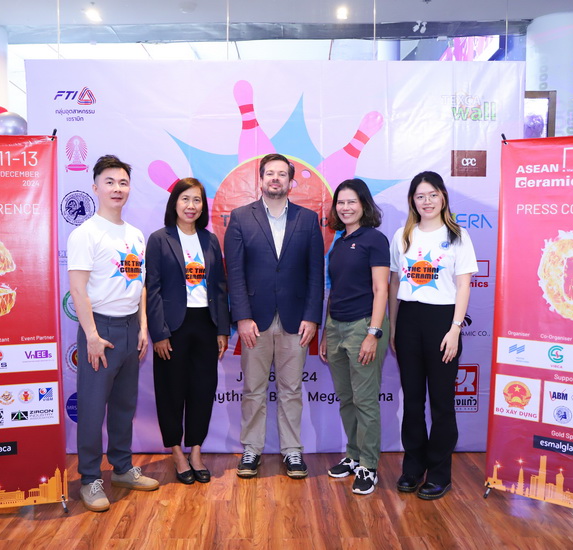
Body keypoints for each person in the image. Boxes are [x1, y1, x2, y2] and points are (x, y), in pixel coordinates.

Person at [67, 154, 159, 512]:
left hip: (130, 328)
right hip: (100, 330)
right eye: (109, 182)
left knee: (124, 406)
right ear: (95, 188)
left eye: (123, 182)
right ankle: (90, 479)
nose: (117, 188)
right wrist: (91, 335)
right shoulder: (85, 233)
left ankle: (122, 469)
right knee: (92, 410)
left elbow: (141, 285)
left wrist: (143, 327)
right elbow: (78, 289)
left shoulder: (135, 234)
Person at [224, 153, 324, 479]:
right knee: (253, 389)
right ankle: (251, 450)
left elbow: (315, 274)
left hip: (296, 320)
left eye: (282, 174)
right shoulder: (241, 217)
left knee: (291, 390)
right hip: (254, 320)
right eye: (270, 173)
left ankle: (292, 451)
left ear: (291, 181)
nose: (276, 179)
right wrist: (241, 317)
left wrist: (312, 317)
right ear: (261, 179)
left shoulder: (308, 219)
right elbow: (235, 273)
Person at [388, 171, 477, 500]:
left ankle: (439, 474)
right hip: (409, 320)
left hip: (443, 322)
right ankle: (413, 468)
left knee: (441, 403)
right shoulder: (403, 235)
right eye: (420, 196)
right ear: (412, 201)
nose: (427, 201)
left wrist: (455, 329)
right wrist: (394, 327)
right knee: (412, 402)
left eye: (432, 195)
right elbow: (394, 284)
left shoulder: (458, 236)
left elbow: (464, 285)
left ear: (443, 197)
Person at [146, 178, 230, 485]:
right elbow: (152, 288)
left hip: (205, 324)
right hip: (172, 328)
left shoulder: (210, 240)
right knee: (170, 391)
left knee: (202, 390)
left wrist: (222, 329)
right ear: (175, 203)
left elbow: (219, 286)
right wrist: (159, 333)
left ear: (203, 206)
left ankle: (196, 451)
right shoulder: (159, 239)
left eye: (197, 200)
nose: (191, 206)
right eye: (185, 199)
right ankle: (177, 453)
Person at [319, 179, 390, 495]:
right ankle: (354, 455)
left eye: (352, 202)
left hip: (364, 326)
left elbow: (381, 289)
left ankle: (369, 466)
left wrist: (373, 334)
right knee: (347, 398)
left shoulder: (375, 239)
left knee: (365, 400)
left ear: (364, 204)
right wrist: (326, 332)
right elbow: (334, 290)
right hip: (336, 327)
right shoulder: (338, 242)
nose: (345, 208)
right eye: (341, 202)